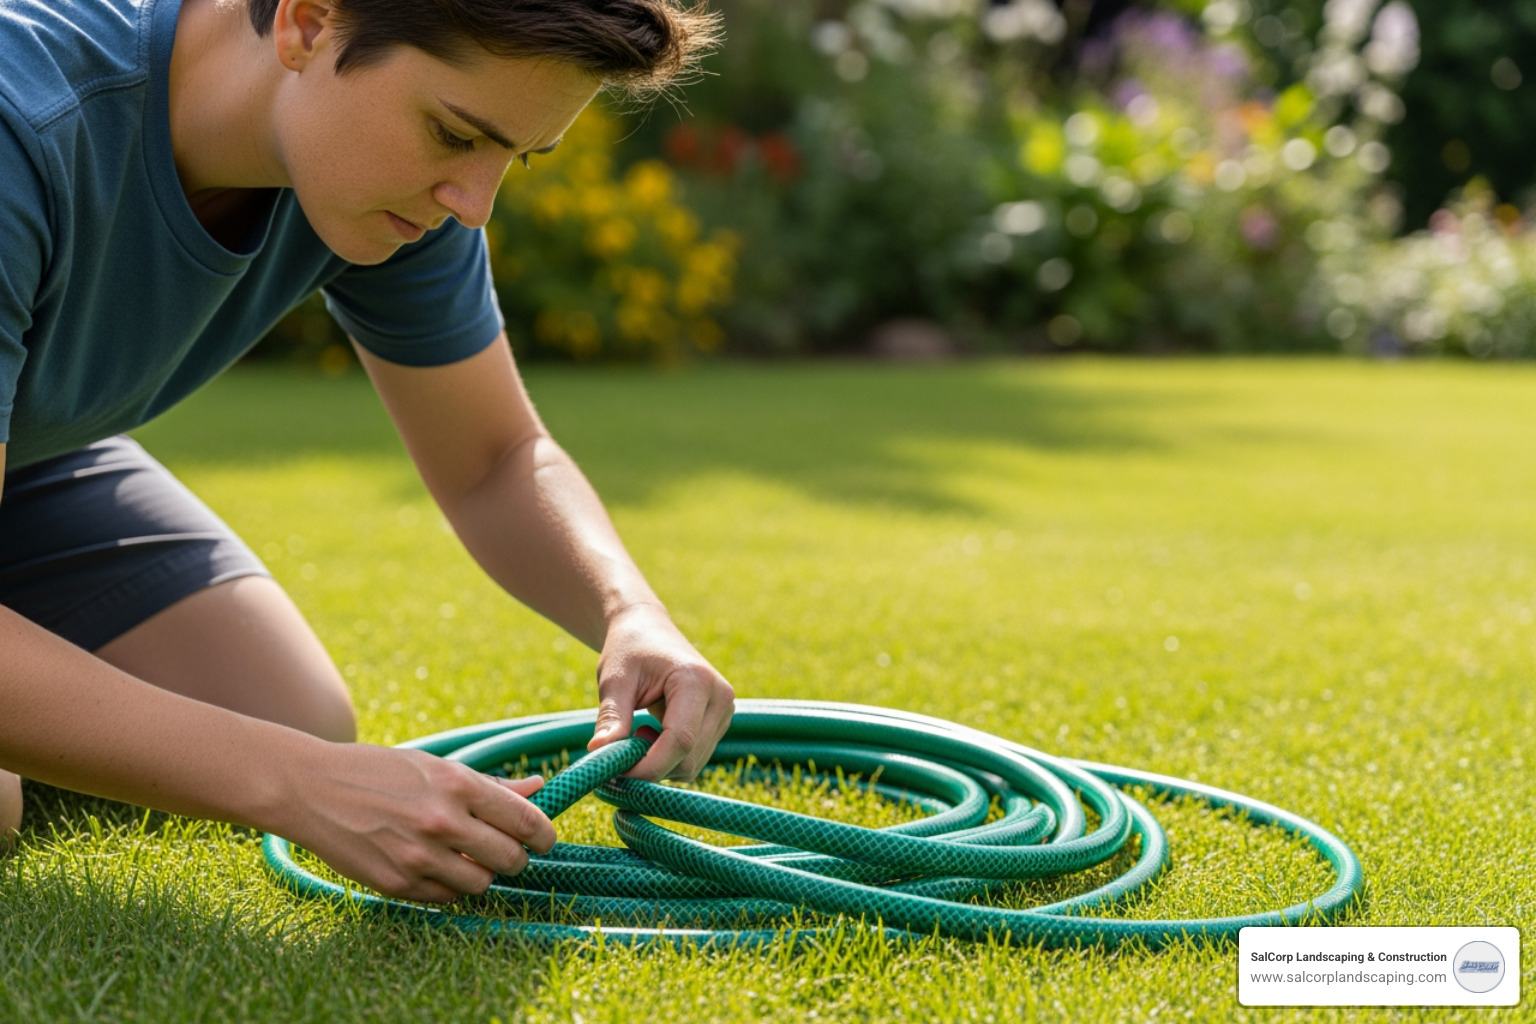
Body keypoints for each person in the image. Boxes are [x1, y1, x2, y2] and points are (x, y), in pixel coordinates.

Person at [0, 0, 734, 905]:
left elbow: (494, 457)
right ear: (308, 23)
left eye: (516, 157)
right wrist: (295, 784)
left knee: (282, 710)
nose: (475, 205)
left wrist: (631, 612)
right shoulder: (20, 124)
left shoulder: (383, 187)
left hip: (28, 463)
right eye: (454, 134)